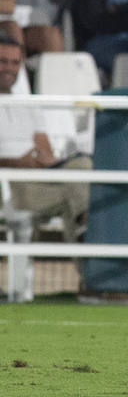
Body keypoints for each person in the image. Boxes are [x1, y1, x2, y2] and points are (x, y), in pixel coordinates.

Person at [0, 33, 91, 241]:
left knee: (83, 165)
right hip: (7, 186)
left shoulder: (28, 105)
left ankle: (87, 233)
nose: (9, 68)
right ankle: (89, 233)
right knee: (77, 197)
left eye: (15, 63)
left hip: (35, 181)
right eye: (2, 61)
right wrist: (17, 164)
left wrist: (47, 160)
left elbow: (44, 149)